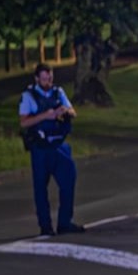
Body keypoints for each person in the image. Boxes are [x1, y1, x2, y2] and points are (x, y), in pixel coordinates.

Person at [18, 64, 83, 237]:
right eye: (44, 79)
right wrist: (45, 116)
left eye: (50, 78)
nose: (48, 82)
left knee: (68, 179)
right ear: (37, 79)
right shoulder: (28, 96)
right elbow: (24, 122)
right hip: (40, 147)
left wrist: (65, 111)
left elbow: (73, 111)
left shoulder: (58, 92)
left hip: (58, 145)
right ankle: (45, 226)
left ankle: (65, 222)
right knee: (40, 188)